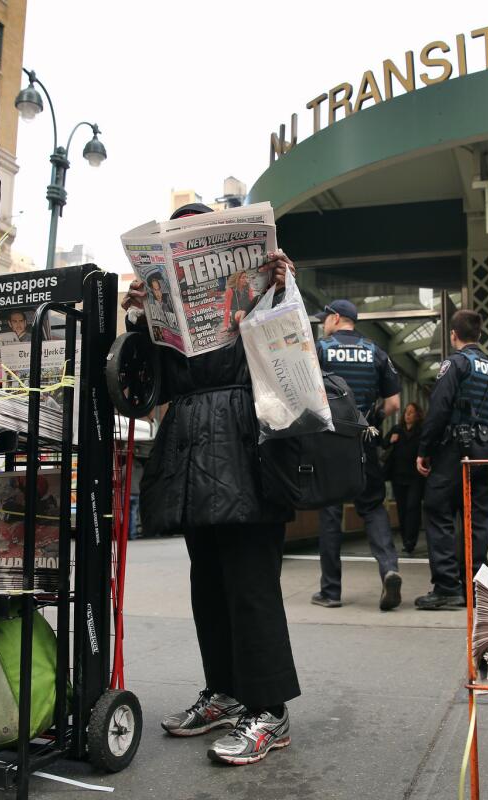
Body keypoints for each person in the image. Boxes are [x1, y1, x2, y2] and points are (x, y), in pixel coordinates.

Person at [121, 202, 298, 766]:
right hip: (192, 446)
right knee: (209, 584)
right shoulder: (160, 310)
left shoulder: (265, 289)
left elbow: (291, 351)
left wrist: (281, 288)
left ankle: (268, 709)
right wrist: (136, 319)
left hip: (248, 441)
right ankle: (224, 691)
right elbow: (145, 387)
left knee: (251, 584)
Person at [311, 299, 403, 612]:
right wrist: (371, 418)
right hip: (364, 439)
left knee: (331, 511)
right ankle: (389, 568)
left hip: (329, 441)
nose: (324, 323)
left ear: (337, 318)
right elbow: (393, 404)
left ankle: (331, 591)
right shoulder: (376, 351)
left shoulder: (321, 349)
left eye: (326, 318)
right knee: (373, 506)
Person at [415, 310, 488, 610]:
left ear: (454, 334)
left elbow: (439, 409)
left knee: (439, 511)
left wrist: (424, 449)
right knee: (478, 518)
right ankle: (475, 587)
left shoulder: (456, 363)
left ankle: (445, 587)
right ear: (478, 335)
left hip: (456, 449)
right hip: (486, 452)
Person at [382, 402, 425, 555]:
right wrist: (391, 440)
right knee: (402, 509)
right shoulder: (397, 430)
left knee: (412, 507)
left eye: (411, 412)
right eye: (406, 412)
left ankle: (411, 541)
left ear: (417, 415)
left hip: (415, 477)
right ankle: (405, 539)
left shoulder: (421, 431)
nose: (408, 414)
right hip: (398, 476)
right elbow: (384, 444)